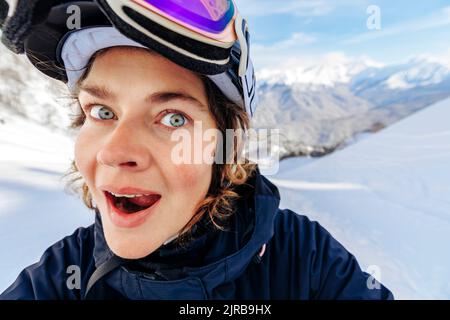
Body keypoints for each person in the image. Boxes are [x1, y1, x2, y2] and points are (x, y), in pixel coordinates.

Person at [0, 0, 393, 300]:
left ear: (225, 147)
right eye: (102, 112)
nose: (114, 152)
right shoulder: (62, 277)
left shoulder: (306, 259)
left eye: (172, 118)